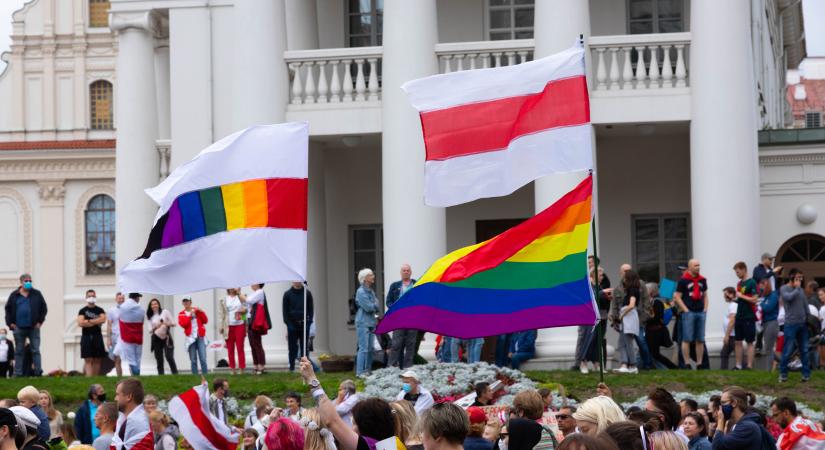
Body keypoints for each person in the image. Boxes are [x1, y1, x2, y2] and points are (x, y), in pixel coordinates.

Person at [299, 356, 397, 450]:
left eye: (354, 423)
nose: (351, 428)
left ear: (365, 426)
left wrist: (311, 378)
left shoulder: (369, 446)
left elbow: (331, 420)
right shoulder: (393, 445)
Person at [5, 274, 47, 377]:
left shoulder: (36, 294)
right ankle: (18, 373)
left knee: (35, 350)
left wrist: (40, 322)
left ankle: (38, 372)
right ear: (21, 282)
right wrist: (10, 324)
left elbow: (43, 308)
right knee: (19, 351)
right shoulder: (14, 295)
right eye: (26, 281)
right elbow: (8, 310)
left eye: (30, 281)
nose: (28, 282)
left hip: (33, 328)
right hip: (19, 328)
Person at [673, 260, 708, 370]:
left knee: (700, 339)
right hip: (689, 313)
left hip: (700, 312)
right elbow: (677, 297)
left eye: (699, 265)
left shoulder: (703, 280)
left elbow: (705, 296)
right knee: (687, 339)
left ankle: (699, 363)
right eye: (696, 265)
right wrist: (686, 310)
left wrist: (705, 309)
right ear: (689, 267)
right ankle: (687, 363)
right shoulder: (683, 281)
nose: (698, 267)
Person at [779, 268, 812, 383]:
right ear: (791, 277)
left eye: (801, 278)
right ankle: (783, 374)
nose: (800, 280)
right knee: (787, 350)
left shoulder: (801, 290)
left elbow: (805, 304)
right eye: (798, 278)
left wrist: (809, 317)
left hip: (802, 324)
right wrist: (797, 288)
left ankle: (806, 374)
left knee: (804, 349)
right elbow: (788, 298)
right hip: (790, 324)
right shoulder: (784, 288)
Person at [386, 264, 418, 369]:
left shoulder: (417, 284)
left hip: (412, 319)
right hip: (399, 319)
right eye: (404, 270)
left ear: (411, 272)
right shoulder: (395, 285)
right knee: (396, 344)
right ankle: (392, 367)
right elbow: (388, 301)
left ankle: (408, 367)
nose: (406, 272)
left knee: (410, 344)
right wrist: (395, 309)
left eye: (408, 270)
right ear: (401, 272)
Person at [732, 262, 758, 370]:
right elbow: (740, 299)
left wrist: (741, 296)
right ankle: (738, 365)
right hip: (739, 315)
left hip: (749, 316)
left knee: (749, 342)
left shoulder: (752, 282)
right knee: (738, 341)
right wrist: (733, 299)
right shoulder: (739, 284)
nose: (737, 274)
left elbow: (754, 299)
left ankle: (749, 366)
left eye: (738, 272)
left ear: (744, 269)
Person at [614, 270, 641, 374]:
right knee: (622, 342)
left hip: (628, 317)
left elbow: (631, 305)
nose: (623, 279)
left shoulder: (632, 289)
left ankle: (633, 365)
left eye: (625, 277)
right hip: (629, 317)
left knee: (628, 342)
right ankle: (625, 364)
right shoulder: (633, 289)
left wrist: (622, 315)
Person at [645, 283, 677, 369]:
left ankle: (672, 367)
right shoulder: (650, 301)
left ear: (651, 291)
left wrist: (646, 319)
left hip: (656, 332)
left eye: (646, 289)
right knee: (651, 353)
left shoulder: (657, 302)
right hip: (651, 331)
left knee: (655, 354)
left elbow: (658, 317)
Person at [283, 282, 313, 373]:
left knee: (305, 348)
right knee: (292, 347)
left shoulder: (307, 293)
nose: (297, 281)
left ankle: (305, 368)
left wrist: (308, 324)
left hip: (304, 325)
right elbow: (285, 312)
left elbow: (311, 310)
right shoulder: (287, 294)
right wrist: (289, 325)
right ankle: (291, 367)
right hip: (292, 325)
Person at [354, 269, 379, 377]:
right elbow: (369, 307)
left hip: (371, 322)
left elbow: (377, 304)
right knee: (363, 348)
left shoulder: (371, 291)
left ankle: (368, 370)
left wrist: (374, 305)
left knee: (370, 348)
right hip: (362, 322)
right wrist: (374, 305)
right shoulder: (360, 292)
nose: (373, 276)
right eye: (371, 275)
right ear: (365, 279)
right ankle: (360, 372)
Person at [77, 290, 107, 376]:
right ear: (86, 298)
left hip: (97, 336)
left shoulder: (100, 310)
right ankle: (89, 378)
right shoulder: (82, 310)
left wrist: (89, 321)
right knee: (88, 359)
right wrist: (96, 322)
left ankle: (95, 378)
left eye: (93, 296)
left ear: (95, 297)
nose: (91, 298)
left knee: (97, 359)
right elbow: (80, 323)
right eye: (89, 296)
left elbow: (103, 319)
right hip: (86, 336)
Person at [115, 293, 146, 376]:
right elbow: (142, 321)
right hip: (138, 337)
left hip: (127, 337)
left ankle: (135, 375)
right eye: (139, 297)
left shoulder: (122, 308)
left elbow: (118, 316)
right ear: (136, 298)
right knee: (138, 358)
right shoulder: (141, 310)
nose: (139, 299)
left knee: (131, 359)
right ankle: (137, 375)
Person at [146, 298, 178, 375]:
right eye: (152, 304)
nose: (154, 305)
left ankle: (175, 374)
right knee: (159, 359)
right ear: (150, 306)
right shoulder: (149, 316)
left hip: (166, 337)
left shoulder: (165, 312)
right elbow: (150, 330)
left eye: (155, 303)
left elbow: (174, 323)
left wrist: (165, 324)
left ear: (159, 304)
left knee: (169, 357)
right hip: (156, 338)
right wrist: (157, 326)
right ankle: (161, 375)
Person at [178, 297, 209, 375]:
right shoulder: (181, 313)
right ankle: (194, 376)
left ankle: (205, 375)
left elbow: (205, 321)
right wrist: (190, 317)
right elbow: (183, 324)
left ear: (190, 302)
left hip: (200, 336)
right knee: (193, 359)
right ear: (182, 303)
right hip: (190, 338)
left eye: (187, 301)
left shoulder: (197, 310)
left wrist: (202, 312)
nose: (186, 303)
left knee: (203, 358)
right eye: (184, 301)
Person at [220, 288, 247, 375]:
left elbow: (246, 311)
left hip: (240, 324)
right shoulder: (223, 299)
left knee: (240, 348)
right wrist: (221, 326)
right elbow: (222, 314)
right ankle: (232, 368)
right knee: (230, 349)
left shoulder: (241, 296)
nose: (233, 288)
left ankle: (242, 368)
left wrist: (245, 323)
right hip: (229, 325)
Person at [247, 283, 272, 375]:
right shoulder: (254, 293)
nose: (252, 284)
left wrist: (239, 294)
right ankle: (256, 365)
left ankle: (261, 366)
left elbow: (248, 301)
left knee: (257, 343)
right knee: (252, 344)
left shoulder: (260, 292)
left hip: (256, 321)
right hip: (250, 320)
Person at [759, 279, 780, 371]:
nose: (761, 288)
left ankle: (768, 371)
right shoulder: (766, 297)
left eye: (762, 286)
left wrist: (761, 304)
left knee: (769, 349)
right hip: (765, 323)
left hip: (772, 323)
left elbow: (768, 308)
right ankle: (784, 362)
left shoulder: (773, 296)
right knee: (768, 348)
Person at [107, 292, 125, 377]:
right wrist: (108, 338)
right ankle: (119, 377)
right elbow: (109, 325)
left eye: (122, 298)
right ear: (116, 299)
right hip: (116, 337)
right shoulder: (111, 310)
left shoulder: (128, 309)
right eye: (119, 298)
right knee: (117, 359)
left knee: (129, 359)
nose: (121, 299)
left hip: (126, 337)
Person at [719, 288, 737, 370]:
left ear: (732, 294)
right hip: (731, 335)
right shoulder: (731, 305)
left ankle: (744, 367)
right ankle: (724, 371)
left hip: (732, 335)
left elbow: (732, 321)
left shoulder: (733, 305)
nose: (724, 296)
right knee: (724, 353)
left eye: (726, 294)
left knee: (735, 353)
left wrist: (727, 335)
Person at [818, 288, 825, 371]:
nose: (820, 297)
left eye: (822, 294)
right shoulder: (822, 307)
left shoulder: (823, 308)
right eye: (819, 295)